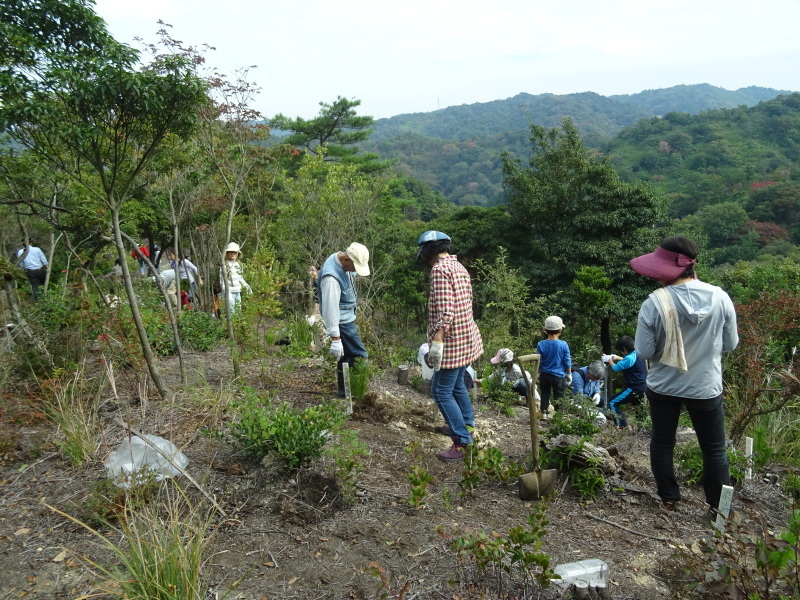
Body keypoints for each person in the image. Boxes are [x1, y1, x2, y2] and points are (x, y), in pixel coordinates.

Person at [631, 236, 739, 518]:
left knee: (663, 441)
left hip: (664, 385)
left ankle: (669, 498)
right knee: (714, 449)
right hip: (705, 386)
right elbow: (730, 344)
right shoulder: (720, 297)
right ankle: (719, 509)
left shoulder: (654, 303)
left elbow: (643, 350)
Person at [418, 230, 483, 462]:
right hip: (467, 337)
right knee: (456, 386)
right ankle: (467, 424)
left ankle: (462, 441)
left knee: (440, 390)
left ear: (427, 251)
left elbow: (446, 310)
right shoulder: (458, 266)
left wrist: (437, 340)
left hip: (452, 340)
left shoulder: (439, 269)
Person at [319, 243, 371, 398]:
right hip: (342, 323)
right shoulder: (331, 278)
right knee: (360, 356)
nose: (355, 271)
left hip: (346, 318)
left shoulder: (341, 261)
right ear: (346, 259)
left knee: (347, 357)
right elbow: (330, 308)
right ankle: (357, 392)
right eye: (354, 267)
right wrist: (335, 337)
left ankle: (345, 393)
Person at [603, 335, 647, 429]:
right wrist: (617, 357)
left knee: (612, 402)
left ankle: (622, 426)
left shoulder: (629, 358)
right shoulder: (637, 354)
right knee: (638, 407)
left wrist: (609, 360)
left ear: (624, 348)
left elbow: (616, 368)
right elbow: (628, 360)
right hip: (642, 387)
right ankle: (642, 427)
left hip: (633, 388)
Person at [536, 316, 572, 420]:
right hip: (558, 376)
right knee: (558, 396)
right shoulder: (563, 344)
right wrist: (569, 374)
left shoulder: (541, 344)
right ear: (560, 330)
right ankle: (558, 417)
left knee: (545, 394)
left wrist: (538, 374)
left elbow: (539, 361)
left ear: (545, 330)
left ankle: (544, 414)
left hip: (544, 375)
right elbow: (567, 360)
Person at [219, 242, 252, 313]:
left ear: (237, 254)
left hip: (237, 291)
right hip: (229, 292)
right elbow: (222, 279)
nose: (232, 254)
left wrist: (246, 287)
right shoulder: (225, 264)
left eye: (234, 252)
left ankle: (237, 324)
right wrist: (224, 289)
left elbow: (240, 278)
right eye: (230, 252)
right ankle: (231, 323)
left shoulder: (239, 264)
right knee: (231, 310)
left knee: (237, 309)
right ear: (227, 254)